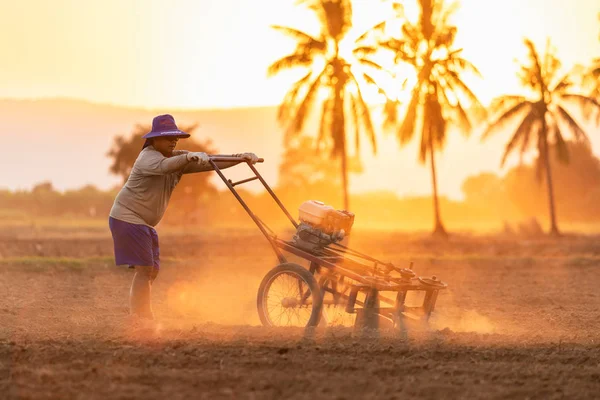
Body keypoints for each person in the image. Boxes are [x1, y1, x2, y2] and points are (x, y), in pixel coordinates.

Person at [108, 114, 258, 320]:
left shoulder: (178, 158)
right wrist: (188, 157)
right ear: (153, 140)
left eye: (175, 137)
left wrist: (241, 158)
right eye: (168, 137)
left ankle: (141, 315)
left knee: (151, 272)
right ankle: (140, 319)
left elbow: (211, 163)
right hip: (127, 217)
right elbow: (164, 167)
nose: (173, 141)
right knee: (145, 270)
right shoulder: (148, 157)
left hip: (143, 223)